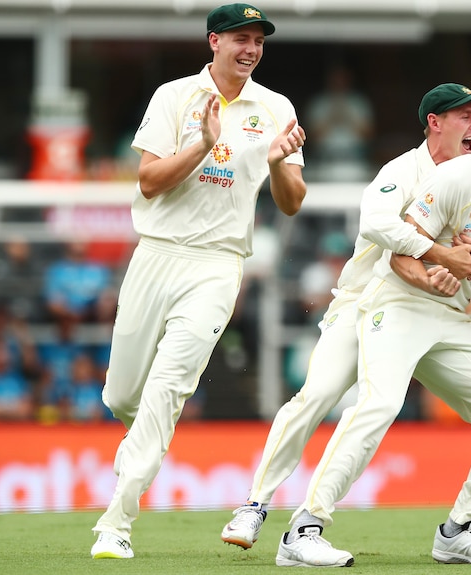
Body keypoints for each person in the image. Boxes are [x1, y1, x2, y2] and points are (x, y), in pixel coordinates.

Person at [221, 83, 471, 563]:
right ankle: (256, 506)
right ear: (434, 122)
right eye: (464, 117)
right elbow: (376, 224)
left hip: (437, 312)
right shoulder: (402, 170)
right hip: (366, 304)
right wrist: (439, 256)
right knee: (319, 397)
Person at [90, 3, 307, 559]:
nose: (251, 49)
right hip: (156, 254)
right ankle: (137, 447)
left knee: (169, 388)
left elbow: (291, 204)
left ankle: (117, 521)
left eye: (259, 40)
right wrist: (202, 146)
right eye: (241, 37)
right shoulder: (173, 96)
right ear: (214, 41)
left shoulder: (277, 107)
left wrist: (281, 161)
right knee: (122, 396)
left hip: (218, 265)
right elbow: (148, 182)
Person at [306, 65, 374, 181]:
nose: (339, 82)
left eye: (342, 79)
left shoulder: (358, 102)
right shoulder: (319, 103)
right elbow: (311, 137)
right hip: (325, 158)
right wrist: (331, 118)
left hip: (355, 157)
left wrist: (348, 117)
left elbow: (369, 134)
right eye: (336, 79)